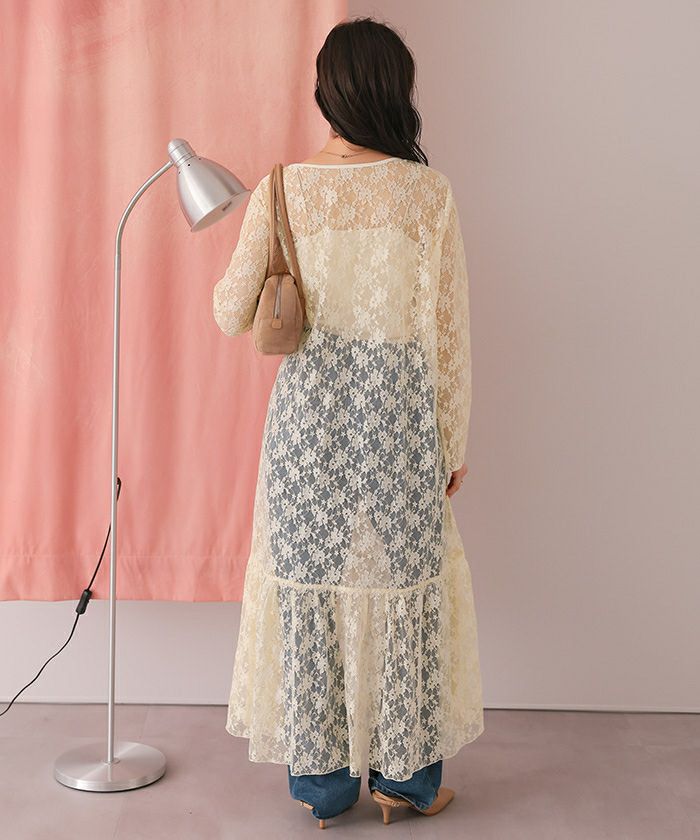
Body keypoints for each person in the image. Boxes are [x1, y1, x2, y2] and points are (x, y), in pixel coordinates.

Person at [213, 15, 484, 829]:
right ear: (396, 92)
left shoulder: (282, 189)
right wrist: (452, 442)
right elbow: (447, 336)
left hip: (307, 426)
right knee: (407, 600)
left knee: (310, 600)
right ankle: (406, 784)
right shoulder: (426, 193)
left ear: (325, 93)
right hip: (400, 422)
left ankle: (325, 794)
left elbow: (229, 312)